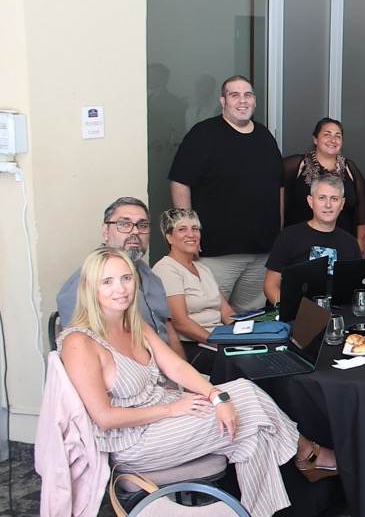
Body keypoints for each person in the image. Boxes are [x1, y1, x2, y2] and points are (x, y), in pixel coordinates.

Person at [59, 248, 340, 517]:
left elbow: (177, 368)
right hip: (132, 441)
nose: (120, 288)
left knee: (246, 429)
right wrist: (174, 409)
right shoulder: (79, 341)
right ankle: (308, 454)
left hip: (164, 415)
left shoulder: (132, 323)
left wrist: (215, 396)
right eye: (107, 281)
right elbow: (104, 418)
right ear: (90, 288)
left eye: (125, 278)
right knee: (246, 398)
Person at [168, 75, 282, 313]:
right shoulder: (203, 135)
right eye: (235, 95)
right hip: (216, 252)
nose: (242, 101)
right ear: (223, 101)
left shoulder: (264, 136)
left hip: (261, 252)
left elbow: (278, 186)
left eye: (248, 95)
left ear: (255, 101)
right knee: (209, 317)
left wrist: (277, 233)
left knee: (248, 320)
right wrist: (186, 232)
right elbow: (180, 181)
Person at [57, 197, 185, 363]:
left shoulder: (151, 277)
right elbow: (83, 355)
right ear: (105, 231)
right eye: (124, 224)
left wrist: (181, 381)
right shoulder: (83, 283)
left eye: (142, 225)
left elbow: (168, 331)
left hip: (169, 372)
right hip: (131, 381)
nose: (135, 231)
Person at [153, 208, 234, 371]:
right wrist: (217, 341)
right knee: (239, 365)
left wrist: (244, 335)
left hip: (219, 338)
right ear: (169, 237)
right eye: (182, 229)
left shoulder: (203, 268)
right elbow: (180, 322)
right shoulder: (166, 268)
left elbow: (226, 311)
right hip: (194, 345)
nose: (191, 234)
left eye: (195, 229)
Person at [263, 174, 361, 306]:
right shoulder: (289, 236)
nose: (328, 205)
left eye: (334, 199)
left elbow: (356, 288)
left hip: (338, 315)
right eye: (321, 198)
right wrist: (289, 308)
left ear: (342, 204)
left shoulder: (350, 243)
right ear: (310, 201)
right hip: (294, 314)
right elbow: (270, 285)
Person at [282, 118, 365, 253]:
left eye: (338, 136)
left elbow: (361, 210)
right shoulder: (296, 165)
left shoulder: (350, 168)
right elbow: (273, 189)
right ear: (315, 139)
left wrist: (360, 241)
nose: (333, 140)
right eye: (327, 134)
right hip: (300, 245)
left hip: (341, 244)